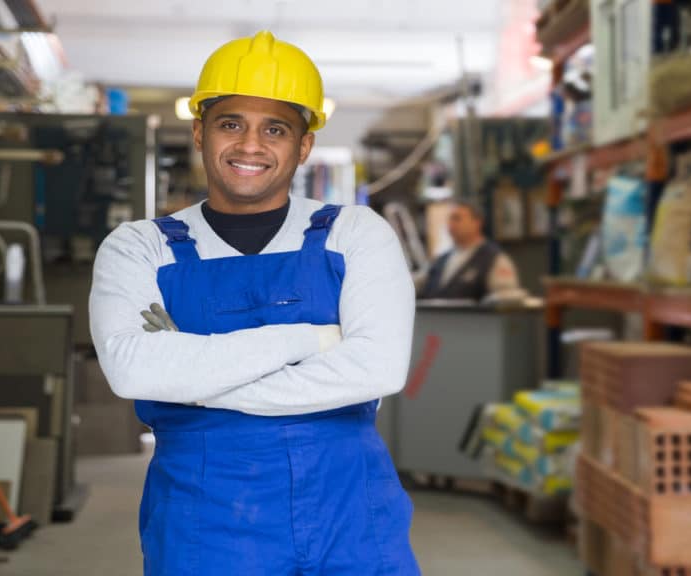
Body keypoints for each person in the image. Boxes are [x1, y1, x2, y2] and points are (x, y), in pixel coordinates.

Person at [88, 31, 420, 575]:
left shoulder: (355, 233)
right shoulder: (139, 246)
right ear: (199, 132)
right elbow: (132, 373)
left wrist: (193, 377)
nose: (250, 146)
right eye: (230, 124)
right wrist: (312, 339)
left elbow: (377, 367)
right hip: (203, 513)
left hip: (349, 510)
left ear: (303, 145)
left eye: (275, 129)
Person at [415, 199, 525, 302]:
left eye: (457, 218)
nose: (451, 225)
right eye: (450, 219)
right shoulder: (442, 259)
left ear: (477, 222)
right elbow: (414, 284)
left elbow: (507, 298)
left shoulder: (494, 258)